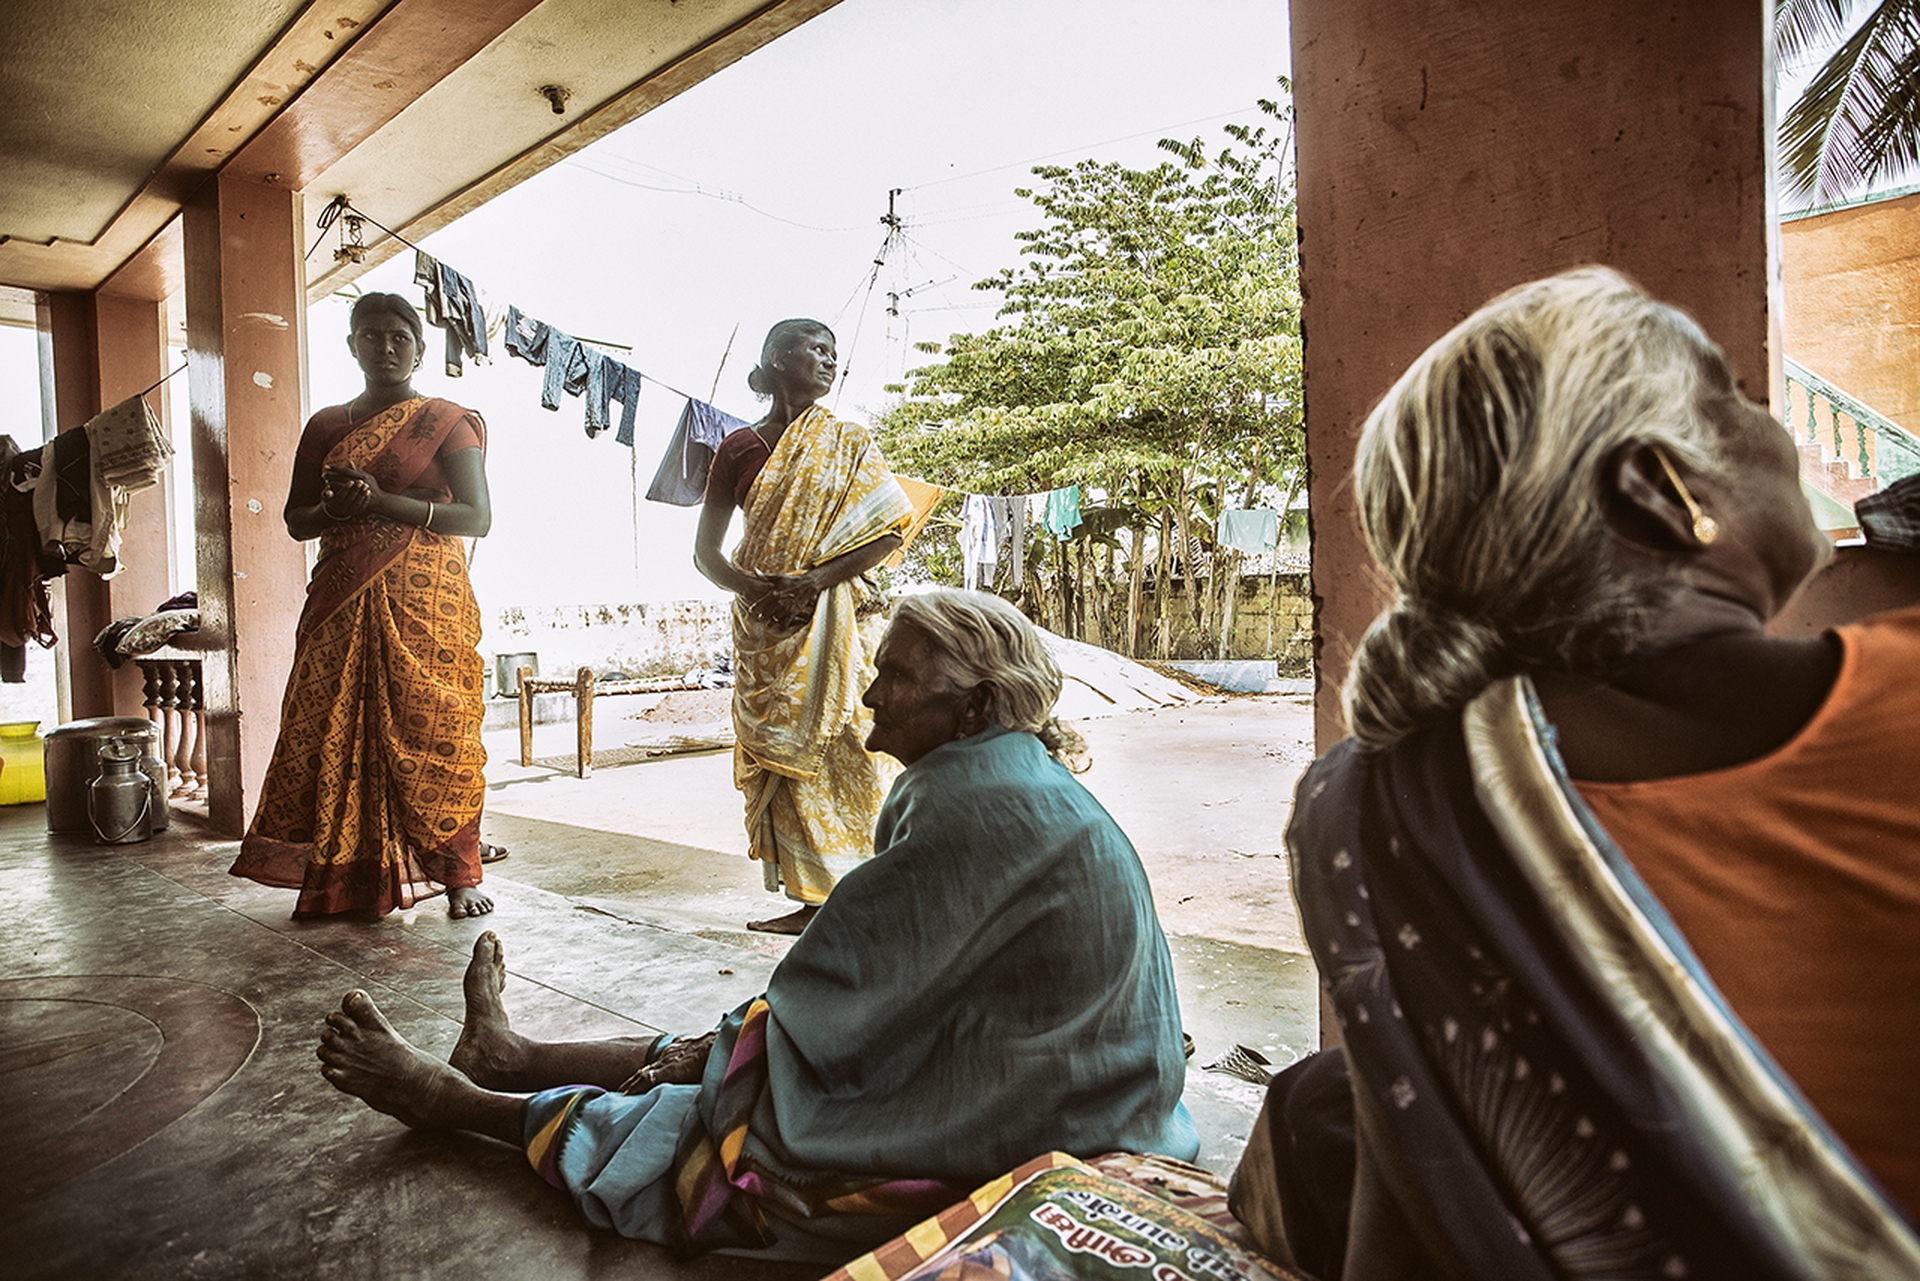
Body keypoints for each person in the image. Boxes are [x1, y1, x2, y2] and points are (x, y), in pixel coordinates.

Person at [1230, 269, 1920, 1279]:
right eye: (1729, 394)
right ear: (1660, 488)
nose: (1768, 422)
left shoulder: (1377, 805)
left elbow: (1402, 1236)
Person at [316, 589, 1196, 1264]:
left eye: (896, 673)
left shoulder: (976, 797)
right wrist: (731, 1047)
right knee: (748, 1054)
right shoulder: (995, 773)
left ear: (972, 706)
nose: (870, 692)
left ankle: (453, 1099)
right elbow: (860, 982)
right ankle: (514, 1059)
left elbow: (834, 987)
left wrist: (721, 1054)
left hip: (1050, 1121)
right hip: (1064, 1085)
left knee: (708, 1137)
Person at [230, 292, 500, 920]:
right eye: (371, 336)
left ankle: (459, 875)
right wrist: (338, 509)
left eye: (399, 337)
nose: (385, 348)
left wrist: (380, 501)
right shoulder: (327, 424)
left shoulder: (446, 420)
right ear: (352, 346)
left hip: (426, 597)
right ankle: (342, 877)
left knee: (439, 728)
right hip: (341, 593)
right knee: (330, 725)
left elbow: (477, 516)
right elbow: (299, 520)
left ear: (419, 348)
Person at [693, 319, 916, 933]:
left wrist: (812, 584)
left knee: (854, 748)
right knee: (788, 762)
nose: (828, 361)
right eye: (814, 348)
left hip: (837, 620)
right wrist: (760, 593)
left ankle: (871, 889)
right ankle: (814, 900)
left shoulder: (848, 441)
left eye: (833, 353)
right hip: (766, 627)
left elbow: (889, 532)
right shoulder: (737, 448)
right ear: (774, 360)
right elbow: (707, 554)